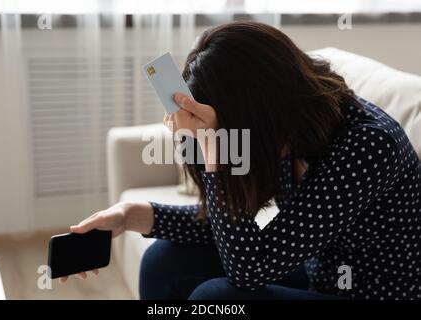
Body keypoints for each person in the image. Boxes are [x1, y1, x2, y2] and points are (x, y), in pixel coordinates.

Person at [61, 21, 421, 300]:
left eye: (229, 129)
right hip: (320, 270)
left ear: (257, 111)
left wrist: (216, 148)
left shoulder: (368, 146)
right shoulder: (289, 128)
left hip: (368, 292)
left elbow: (249, 270)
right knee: (164, 260)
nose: (233, 143)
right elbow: (231, 224)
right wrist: (131, 215)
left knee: (215, 298)